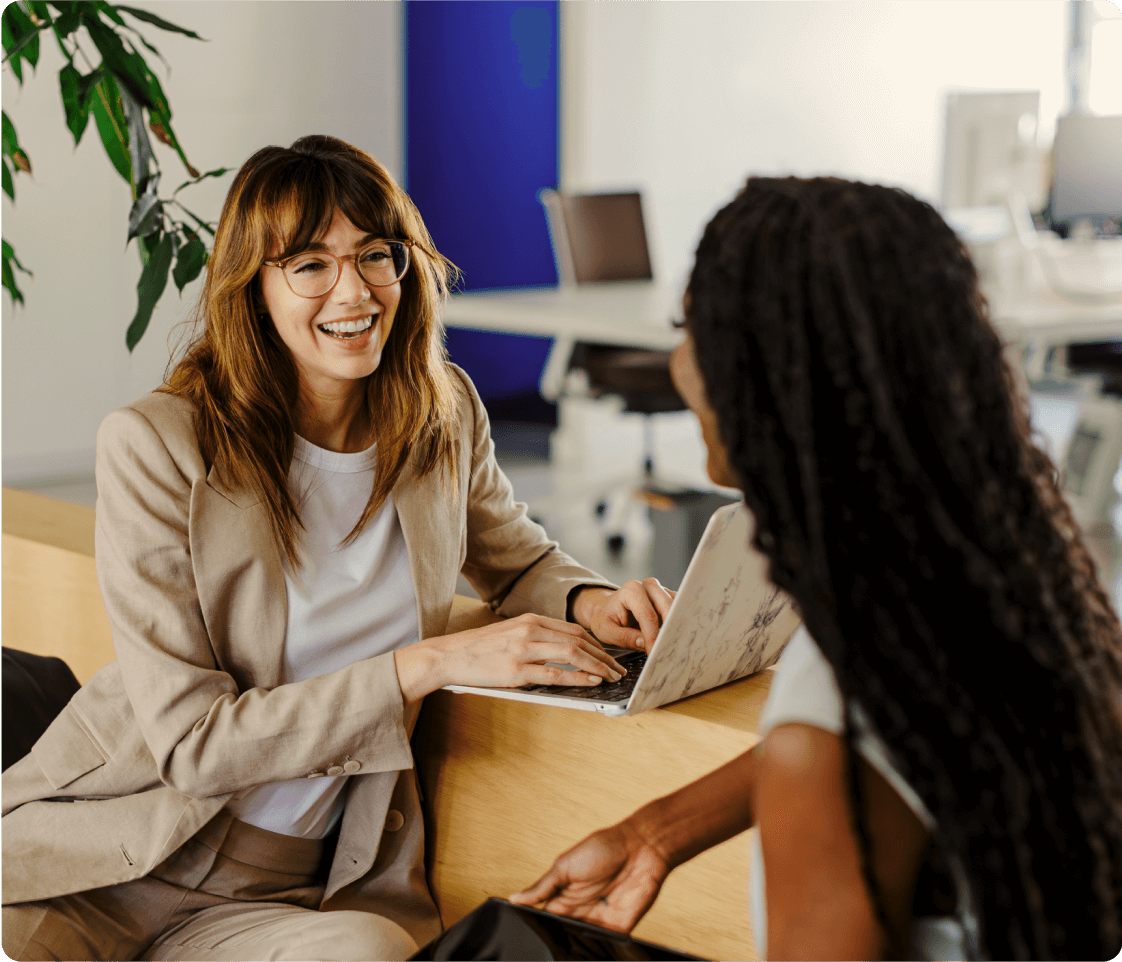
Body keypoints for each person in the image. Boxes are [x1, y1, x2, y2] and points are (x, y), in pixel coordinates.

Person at [0, 135, 676, 962]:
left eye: (375, 256)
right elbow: (193, 745)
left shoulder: (443, 410)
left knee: (370, 951)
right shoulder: (157, 444)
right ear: (253, 289)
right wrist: (424, 665)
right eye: (310, 265)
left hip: (280, 892)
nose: (353, 291)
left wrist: (590, 601)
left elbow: (517, 557)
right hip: (102, 860)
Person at [511, 177, 1122, 961]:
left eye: (689, 328)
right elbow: (889, 744)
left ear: (762, 374)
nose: (681, 361)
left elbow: (835, 749)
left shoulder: (833, 702)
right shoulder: (1017, 599)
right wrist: (654, 833)